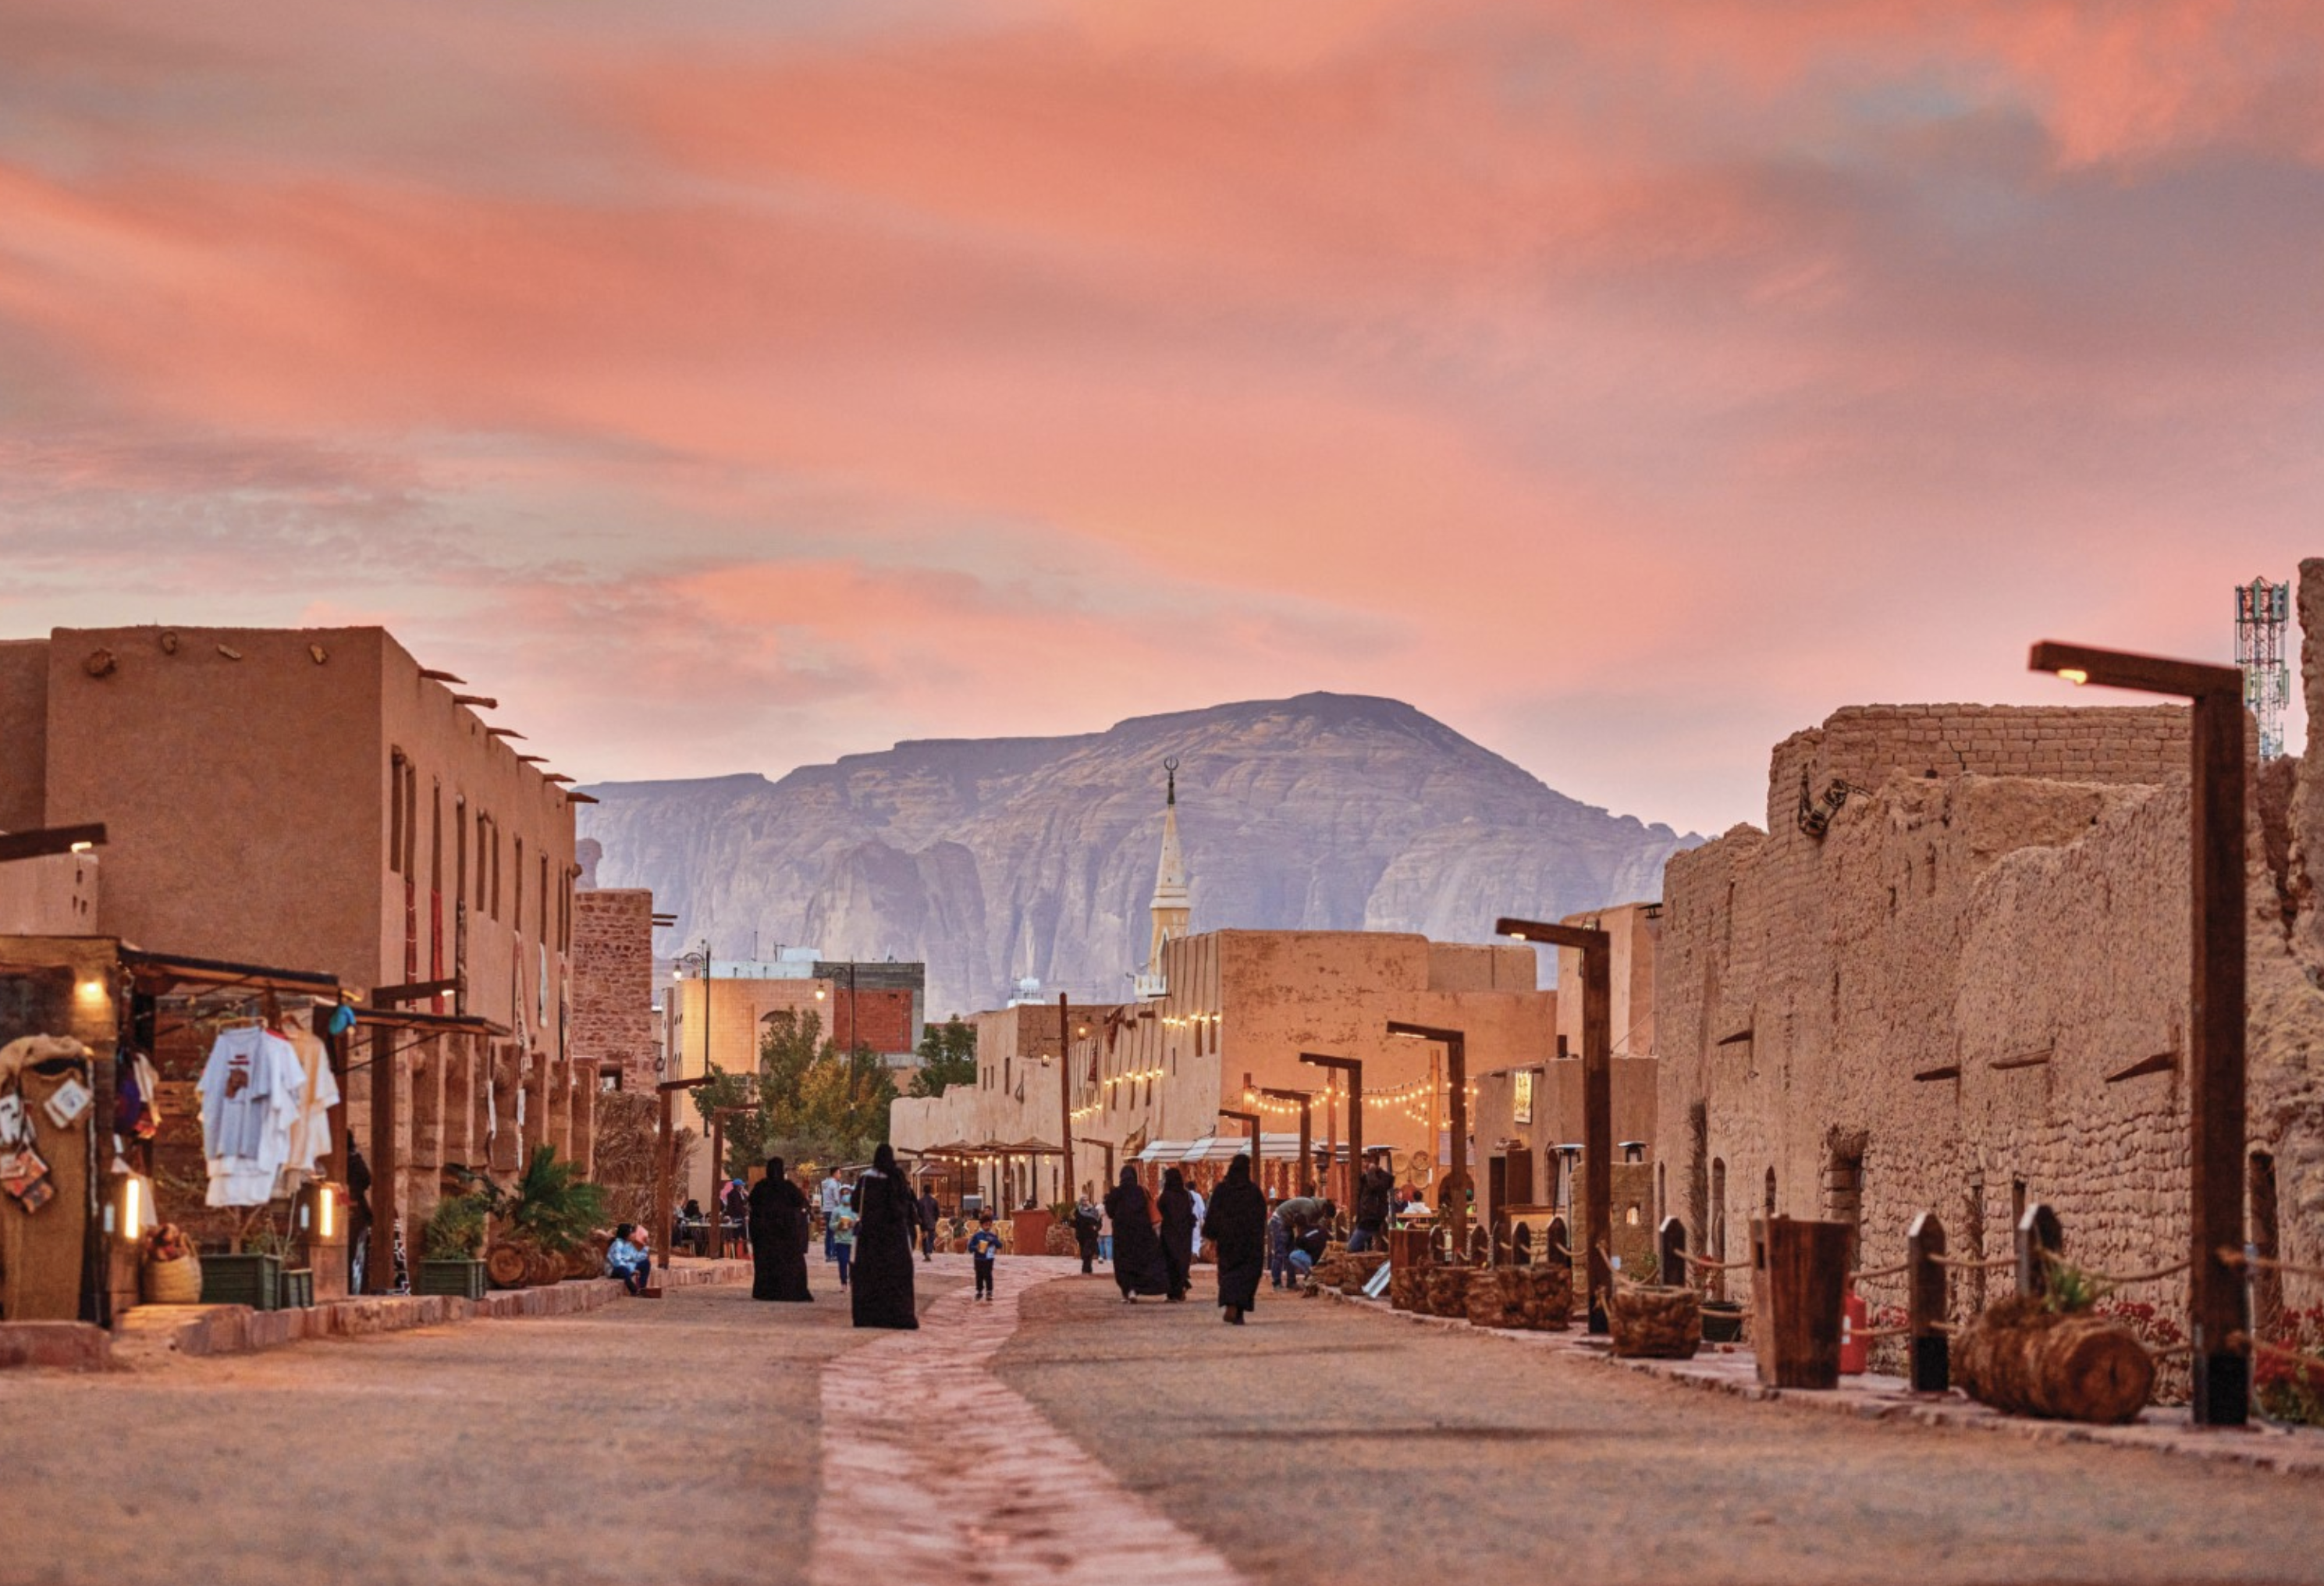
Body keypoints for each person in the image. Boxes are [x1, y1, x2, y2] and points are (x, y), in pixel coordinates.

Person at [849, 1144, 919, 1329]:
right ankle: (897, 1314)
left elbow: (855, 1204)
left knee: (869, 1275)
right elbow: (905, 1204)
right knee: (895, 1276)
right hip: (895, 1237)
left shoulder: (866, 1179)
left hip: (870, 1237)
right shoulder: (897, 1177)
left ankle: (869, 1316)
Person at [1202, 1154, 1267, 1325]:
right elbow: (1261, 1218)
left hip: (1228, 1242)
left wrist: (1211, 1236)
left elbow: (1213, 1214)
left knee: (1229, 1273)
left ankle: (1231, 1303)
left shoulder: (1222, 1190)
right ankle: (1239, 1312)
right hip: (1249, 1244)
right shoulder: (1254, 1192)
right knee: (1247, 1275)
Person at [748, 1157, 813, 1303]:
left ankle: (766, 1291)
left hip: (765, 1233)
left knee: (766, 1261)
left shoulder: (761, 1187)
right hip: (785, 1232)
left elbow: (752, 1202)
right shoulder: (788, 1187)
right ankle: (788, 1290)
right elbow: (800, 1202)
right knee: (788, 1261)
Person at [1103, 1167, 1168, 1301]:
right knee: (1140, 1261)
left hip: (1122, 1233)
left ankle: (1129, 1290)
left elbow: (1110, 1211)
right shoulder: (1141, 1191)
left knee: (1124, 1262)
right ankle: (1139, 1288)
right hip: (1141, 1232)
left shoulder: (1116, 1192)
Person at [1157, 1168, 1196, 1303]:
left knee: (1170, 1262)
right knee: (1181, 1262)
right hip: (1184, 1234)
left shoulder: (1165, 1196)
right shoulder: (1185, 1195)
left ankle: (1173, 1293)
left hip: (1169, 1234)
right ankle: (1180, 1289)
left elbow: (1160, 1210)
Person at [1350, 1152, 1393, 1254]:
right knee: (1359, 1251)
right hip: (1364, 1219)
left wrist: (1371, 1172)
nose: (1365, 1164)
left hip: (1373, 1220)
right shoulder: (1365, 1178)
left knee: (1352, 1248)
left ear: (1375, 1163)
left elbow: (1375, 1186)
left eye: (1367, 1161)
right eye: (1364, 1161)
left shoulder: (1384, 1177)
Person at [605, 1223, 652, 1296]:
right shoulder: (617, 1245)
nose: (634, 1235)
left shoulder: (628, 1244)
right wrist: (631, 1270)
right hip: (613, 1270)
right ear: (626, 1234)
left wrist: (645, 1246)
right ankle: (634, 1290)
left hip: (627, 1268)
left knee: (646, 1263)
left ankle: (642, 1288)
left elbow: (637, 1257)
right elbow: (617, 1263)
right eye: (632, 1233)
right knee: (624, 1269)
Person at [968, 1210, 1002, 1300]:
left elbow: (999, 1245)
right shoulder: (977, 1236)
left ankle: (989, 1291)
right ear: (981, 1225)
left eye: (989, 1225)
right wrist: (977, 1248)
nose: (987, 1227)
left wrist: (993, 1240)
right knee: (979, 1275)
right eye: (986, 1225)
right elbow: (970, 1248)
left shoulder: (992, 1236)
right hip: (979, 1258)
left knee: (988, 1275)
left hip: (989, 1258)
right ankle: (979, 1291)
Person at [1072, 1190, 1103, 1275]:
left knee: (1088, 1252)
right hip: (1081, 1235)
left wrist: (1096, 1227)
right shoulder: (1077, 1211)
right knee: (1084, 1253)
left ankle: (1085, 1269)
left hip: (1091, 1234)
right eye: (1083, 1200)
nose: (1085, 1202)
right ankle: (1088, 1268)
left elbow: (1099, 1222)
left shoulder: (1094, 1211)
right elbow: (1075, 1222)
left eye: (1087, 1200)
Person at [721, 1177, 752, 1258]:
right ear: (738, 1186)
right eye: (741, 1185)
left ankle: (737, 1253)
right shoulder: (735, 1194)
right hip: (738, 1217)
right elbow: (738, 1206)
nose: (742, 1187)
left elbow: (744, 1202)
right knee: (740, 1235)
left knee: (738, 1235)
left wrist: (745, 1195)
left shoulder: (736, 1194)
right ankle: (741, 1253)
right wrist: (745, 1215)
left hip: (737, 1217)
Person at [819, 1169, 844, 1261]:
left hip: (826, 1209)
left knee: (829, 1233)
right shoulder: (834, 1184)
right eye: (839, 1173)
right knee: (834, 1232)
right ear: (835, 1173)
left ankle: (828, 1254)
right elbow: (837, 1199)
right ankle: (833, 1254)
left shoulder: (825, 1183)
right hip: (833, 1210)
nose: (840, 1175)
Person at [832, 1199, 858, 1289]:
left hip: (853, 1240)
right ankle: (843, 1282)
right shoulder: (836, 1210)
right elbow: (831, 1225)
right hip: (841, 1240)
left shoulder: (856, 1210)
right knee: (843, 1262)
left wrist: (854, 1224)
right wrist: (839, 1225)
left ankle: (853, 1281)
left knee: (853, 1263)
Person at [1267, 1200, 1292, 1290]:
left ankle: (1289, 1282)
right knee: (1279, 1253)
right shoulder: (1279, 1216)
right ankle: (1277, 1282)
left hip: (1282, 1222)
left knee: (1283, 1253)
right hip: (1280, 1223)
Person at [916, 1184, 940, 1263]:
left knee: (924, 1238)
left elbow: (918, 1213)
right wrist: (935, 1220)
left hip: (923, 1223)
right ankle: (929, 1251)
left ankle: (926, 1252)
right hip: (931, 1222)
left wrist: (920, 1220)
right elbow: (937, 1213)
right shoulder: (934, 1201)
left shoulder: (920, 1201)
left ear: (923, 1190)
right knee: (931, 1238)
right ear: (930, 1191)